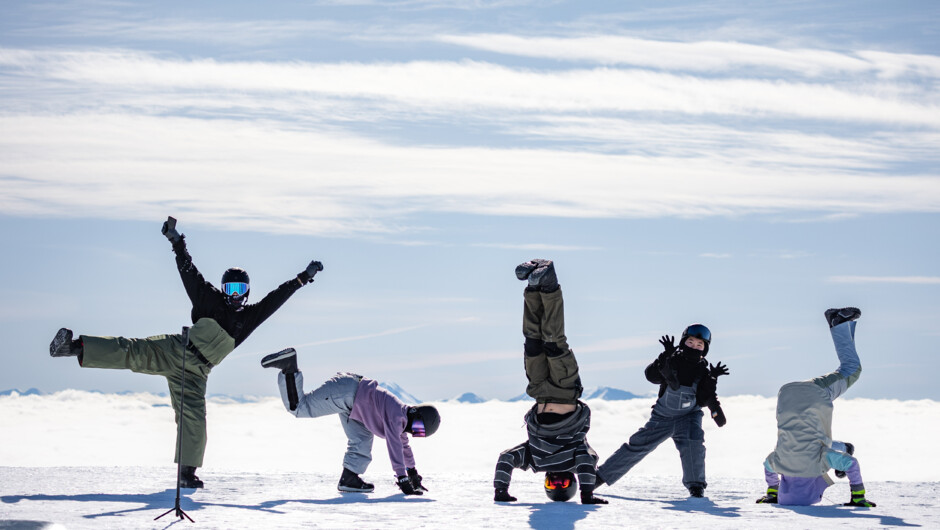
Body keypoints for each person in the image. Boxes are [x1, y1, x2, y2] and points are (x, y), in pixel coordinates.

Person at [48, 217, 322, 488]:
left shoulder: (249, 318)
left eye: (239, 289)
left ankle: (187, 473)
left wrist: (302, 278)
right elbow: (188, 271)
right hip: (176, 351)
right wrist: (176, 241)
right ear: (224, 289)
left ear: (247, 292)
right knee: (132, 351)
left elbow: (277, 297)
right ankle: (72, 348)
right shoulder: (209, 298)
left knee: (194, 418)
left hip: (198, 373)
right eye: (230, 288)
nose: (234, 294)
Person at [493, 259, 607, 505]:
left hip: (539, 392)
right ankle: (550, 284)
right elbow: (588, 464)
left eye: (551, 484)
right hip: (566, 390)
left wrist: (501, 491)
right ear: (573, 481)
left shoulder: (535, 460)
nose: (556, 480)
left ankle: (534, 287)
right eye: (562, 484)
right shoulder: (577, 458)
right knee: (554, 342)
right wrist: (587, 495)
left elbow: (505, 458)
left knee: (533, 341)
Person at [262, 347, 440, 495]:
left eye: (419, 433)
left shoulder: (401, 418)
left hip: (353, 401)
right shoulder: (397, 418)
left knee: (362, 438)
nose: (414, 431)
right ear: (416, 412)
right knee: (300, 408)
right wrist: (403, 479)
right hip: (347, 392)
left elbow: (404, 447)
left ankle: (349, 478)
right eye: (418, 427)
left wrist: (413, 472)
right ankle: (289, 368)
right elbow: (394, 447)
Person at [756, 307, 876, 507]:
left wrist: (858, 496)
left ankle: (839, 323)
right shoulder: (780, 463)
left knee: (851, 369)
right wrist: (772, 492)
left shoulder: (818, 465)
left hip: (815, 395)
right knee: (813, 440)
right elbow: (767, 466)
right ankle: (845, 446)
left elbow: (851, 464)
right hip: (785, 397)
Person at [594, 323, 728, 497]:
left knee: (694, 445)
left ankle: (696, 487)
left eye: (699, 345)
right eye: (691, 342)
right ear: (683, 343)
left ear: (705, 349)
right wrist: (664, 356)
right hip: (663, 417)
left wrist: (713, 395)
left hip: (689, 417)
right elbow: (651, 376)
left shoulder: (703, 370)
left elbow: (704, 398)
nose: (694, 346)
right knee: (638, 445)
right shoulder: (672, 360)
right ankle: (599, 478)